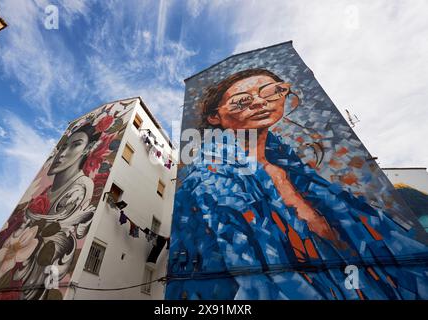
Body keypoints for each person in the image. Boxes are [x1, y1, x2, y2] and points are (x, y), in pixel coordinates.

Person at [167, 69, 428, 300]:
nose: (260, 102)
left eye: (271, 92)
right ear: (215, 116)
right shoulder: (208, 182)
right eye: (242, 101)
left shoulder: (294, 169)